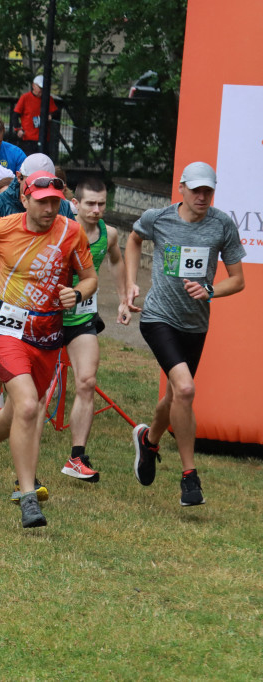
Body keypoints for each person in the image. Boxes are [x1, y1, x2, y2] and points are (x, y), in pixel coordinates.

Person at [0, 171, 96, 528]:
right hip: (7, 327)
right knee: (29, 404)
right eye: (42, 200)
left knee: (21, 409)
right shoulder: (2, 226)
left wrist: (77, 293)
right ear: (25, 198)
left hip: (49, 332)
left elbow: (90, 278)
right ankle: (28, 496)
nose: (50, 208)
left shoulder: (71, 231)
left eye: (55, 201)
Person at [122, 162, 245, 507]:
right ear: (182, 189)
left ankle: (148, 440)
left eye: (208, 190)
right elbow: (133, 240)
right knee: (186, 388)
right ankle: (190, 477)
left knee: (177, 395)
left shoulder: (222, 225)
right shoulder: (159, 218)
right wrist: (132, 283)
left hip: (195, 324)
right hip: (158, 317)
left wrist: (210, 291)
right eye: (197, 190)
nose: (203, 196)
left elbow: (238, 280)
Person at [56, 177, 126, 483]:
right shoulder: (57, 228)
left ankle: (77, 457)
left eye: (101, 204)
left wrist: (125, 297)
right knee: (35, 390)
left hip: (82, 318)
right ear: (75, 204)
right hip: (47, 318)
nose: (97, 210)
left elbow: (117, 261)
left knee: (86, 381)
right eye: (90, 204)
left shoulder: (109, 234)